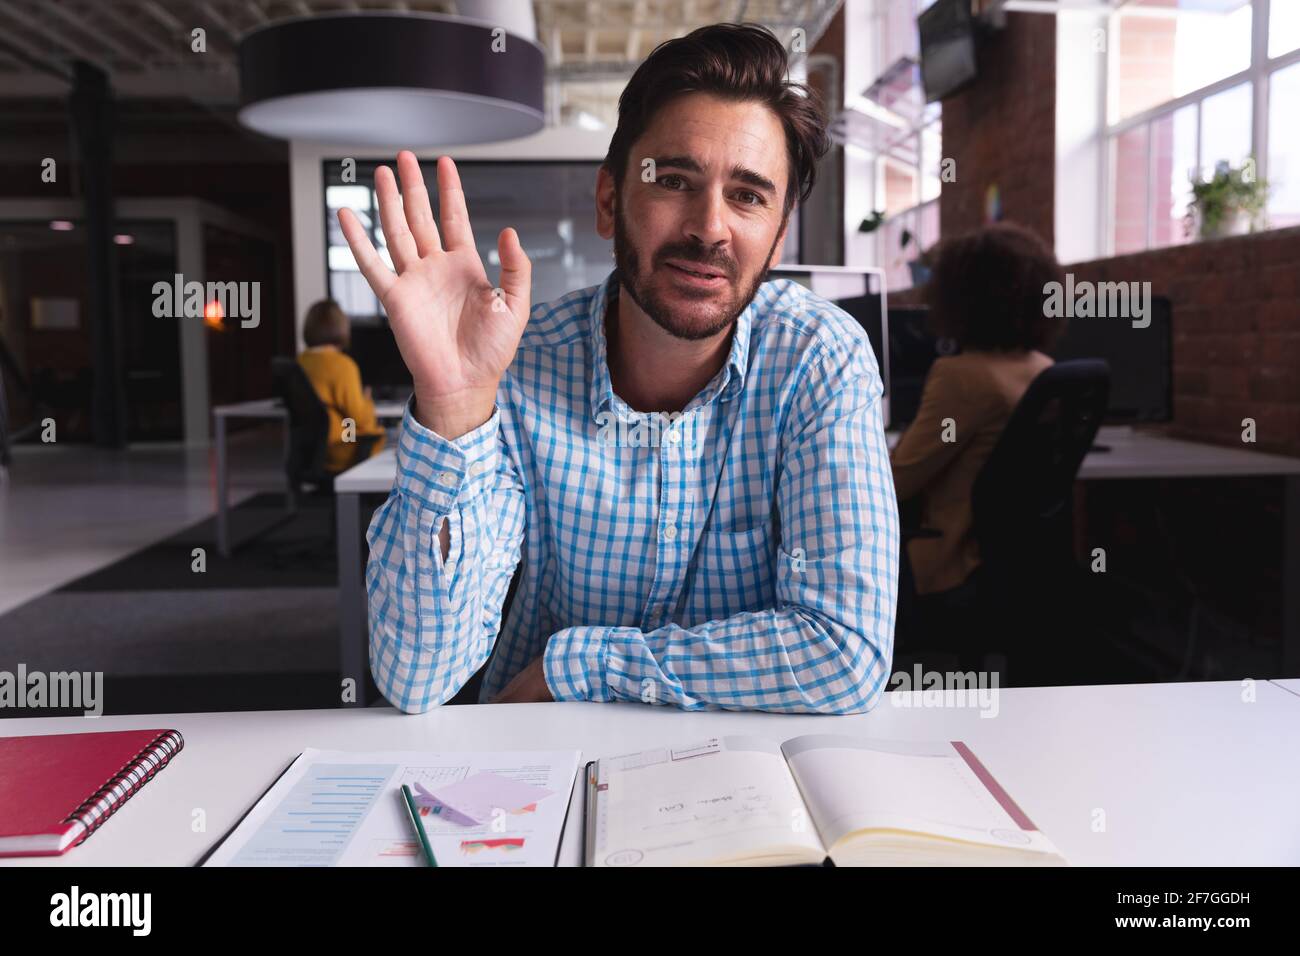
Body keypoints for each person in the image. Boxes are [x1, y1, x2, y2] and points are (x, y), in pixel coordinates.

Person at [337, 24, 899, 713]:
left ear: (778, 236)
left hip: (741, 777)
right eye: (674, 180)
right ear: (610, 202)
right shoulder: (514, 362)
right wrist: (455, 403)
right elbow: (415, 680)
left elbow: (843, 654)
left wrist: (578, 666)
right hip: (540, 764)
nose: (709, 227)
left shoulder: (819, 359)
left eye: (748, 195)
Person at [890, 222, 1065, 599]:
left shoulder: (962, 377)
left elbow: (896, 481)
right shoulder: (1044, 369)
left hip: (951, 560)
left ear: (958, 298)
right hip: (1015, 561)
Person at [297, 299, 386, 473]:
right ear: (341, 327)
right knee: (381, 435)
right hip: (341, 447)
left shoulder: (301, 361)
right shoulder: (342, 365)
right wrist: (367, 400)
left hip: (308, 450)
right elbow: (358, 416)